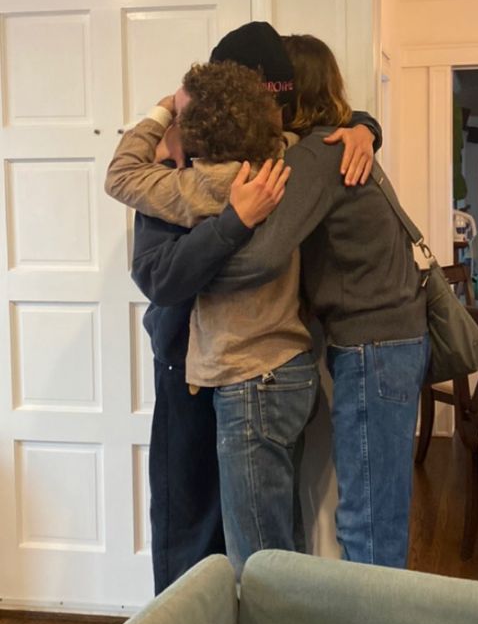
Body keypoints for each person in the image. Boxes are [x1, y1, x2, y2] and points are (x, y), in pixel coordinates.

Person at [132, 34, 428, 570]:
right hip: (204, 358)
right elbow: (158, 275)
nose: (270, 103)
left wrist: (365, 128)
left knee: (268, 547)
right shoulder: (191, 160)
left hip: (263, 365)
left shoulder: (291, 156)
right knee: (205, 526)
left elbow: (252, 259)